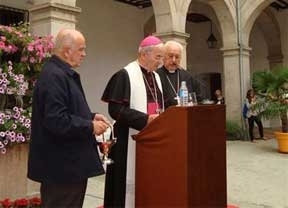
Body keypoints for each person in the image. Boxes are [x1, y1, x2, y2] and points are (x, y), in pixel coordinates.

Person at [27, 28, 111, 208]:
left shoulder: (60, 73)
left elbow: (67, 110)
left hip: (67, 166)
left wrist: (91, 116)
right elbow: (56, 120)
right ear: (66, 51)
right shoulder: (54, 76)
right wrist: (90, 126)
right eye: (81, 49)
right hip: (62, 167)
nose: (84, 54)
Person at [101, 35, 164, 207]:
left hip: (151, 138)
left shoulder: (156, 77)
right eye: (158, 57)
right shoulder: (125, 75)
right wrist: (145, 120)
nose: (160, 62)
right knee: (125, 185)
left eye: (161, 57)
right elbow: (115, 110)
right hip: (127, 140)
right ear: (144, 54)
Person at [156, 40, 201, 108]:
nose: (174, 60)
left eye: (177, 57)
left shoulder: (187, 76)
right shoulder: (156, 75)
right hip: (166, 116)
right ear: (163, 57)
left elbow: (198, 98)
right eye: (170, 56)